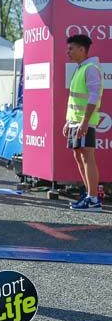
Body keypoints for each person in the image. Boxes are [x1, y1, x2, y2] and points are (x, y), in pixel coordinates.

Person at [64, 34, 104, 211]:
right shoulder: (81, 68)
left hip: (84, 123)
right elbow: (75, 99)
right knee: (79, 157)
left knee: (87, 157)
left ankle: (94, 199)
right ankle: (89, 194)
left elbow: (94, 96)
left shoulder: (90, 68)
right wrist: (69, 121)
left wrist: (85, 122)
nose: (68, 52)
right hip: (75, 122)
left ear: (82, 49)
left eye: (71, 48)